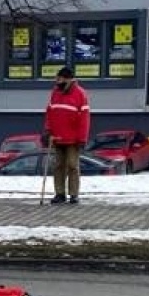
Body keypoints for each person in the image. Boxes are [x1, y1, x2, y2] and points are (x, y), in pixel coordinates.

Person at [42, 65, 90, 205]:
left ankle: (74, 194)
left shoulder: (80, 94)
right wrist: (47, 130)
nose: (57, 81)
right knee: (58, 166)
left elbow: (85, 119)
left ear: (68, 79)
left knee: (72, 165)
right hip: (57, 137)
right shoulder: (55, 93)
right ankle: (60, 193)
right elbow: (49, 114)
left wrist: (82, 138)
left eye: (60, 78)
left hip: (73, 139)